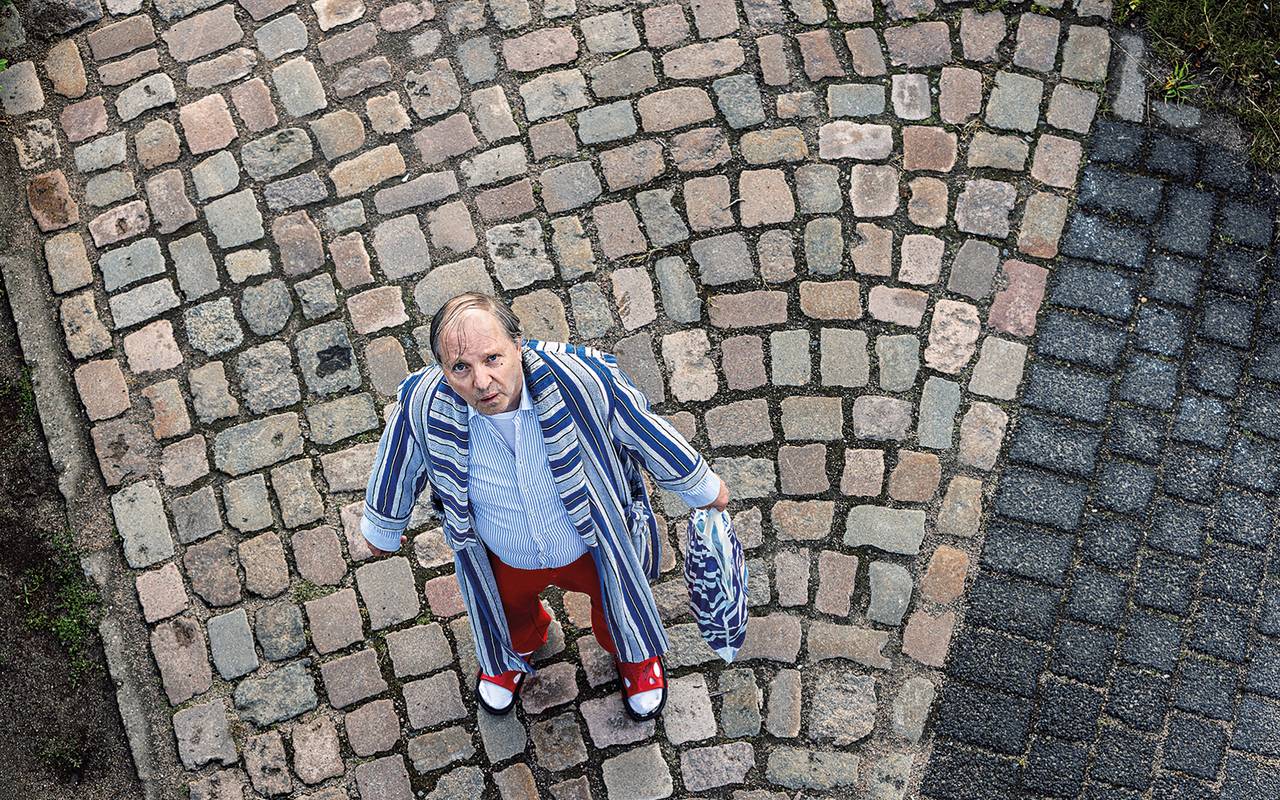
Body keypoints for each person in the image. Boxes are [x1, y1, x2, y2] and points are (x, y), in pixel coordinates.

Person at [360, 292, 729, 721]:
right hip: (504, 551)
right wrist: (383, 526)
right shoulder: (423, 404)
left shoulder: (583, 378)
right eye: (460, 367)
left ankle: (632, 653)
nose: (481, 382)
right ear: (442, 369)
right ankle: (516, 647)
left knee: (616, 603)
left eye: (493, 358)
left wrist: (701, 486)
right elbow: (398, 460)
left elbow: (642, 429)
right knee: (507, 608)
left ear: (518, 345)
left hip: (591, 542)